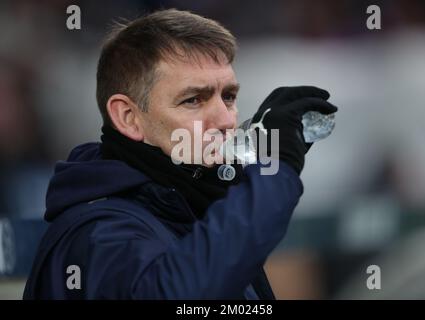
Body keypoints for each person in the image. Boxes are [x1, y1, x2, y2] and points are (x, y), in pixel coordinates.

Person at [23, 8, 337, 299]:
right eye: (193, 100)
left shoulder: (193, 205)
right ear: (128, 118)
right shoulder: (97, 234)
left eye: (228, 96)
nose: (226, 120)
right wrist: (275, 166)